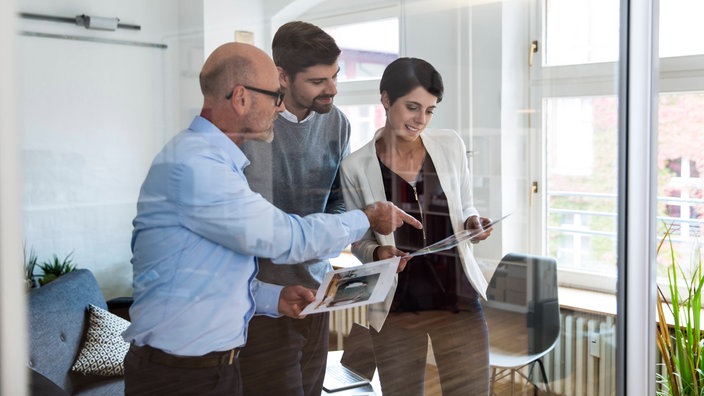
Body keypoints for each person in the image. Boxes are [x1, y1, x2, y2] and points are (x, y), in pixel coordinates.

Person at [122, 42, 421, 396]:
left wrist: (271, 298)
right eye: (275, 96)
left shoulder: (216, 162)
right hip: (178, 378)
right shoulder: (196, 167)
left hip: (215, 371)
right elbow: (286, 239)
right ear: (241, 98)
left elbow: (213, 274)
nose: (280, 108)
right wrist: (367, 218)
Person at [340, 57, 494, 396]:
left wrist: (472, 221)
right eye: (412, 107)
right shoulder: (355, 167)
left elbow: (465, 202)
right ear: (385, 99)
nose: (420, 120)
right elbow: (358, 243)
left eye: (430, 110)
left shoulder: (450, 145)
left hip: (457, 299)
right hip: (397, 308)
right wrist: (379, 251)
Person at [238, 21, 351, 396]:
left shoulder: (338, 124)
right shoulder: (248, 128)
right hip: (262, 303)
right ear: (282, 76)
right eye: (319, 81)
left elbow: (339, 198)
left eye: (335, 76)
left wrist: (327, 236)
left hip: (317, 293)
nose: (332, 89)